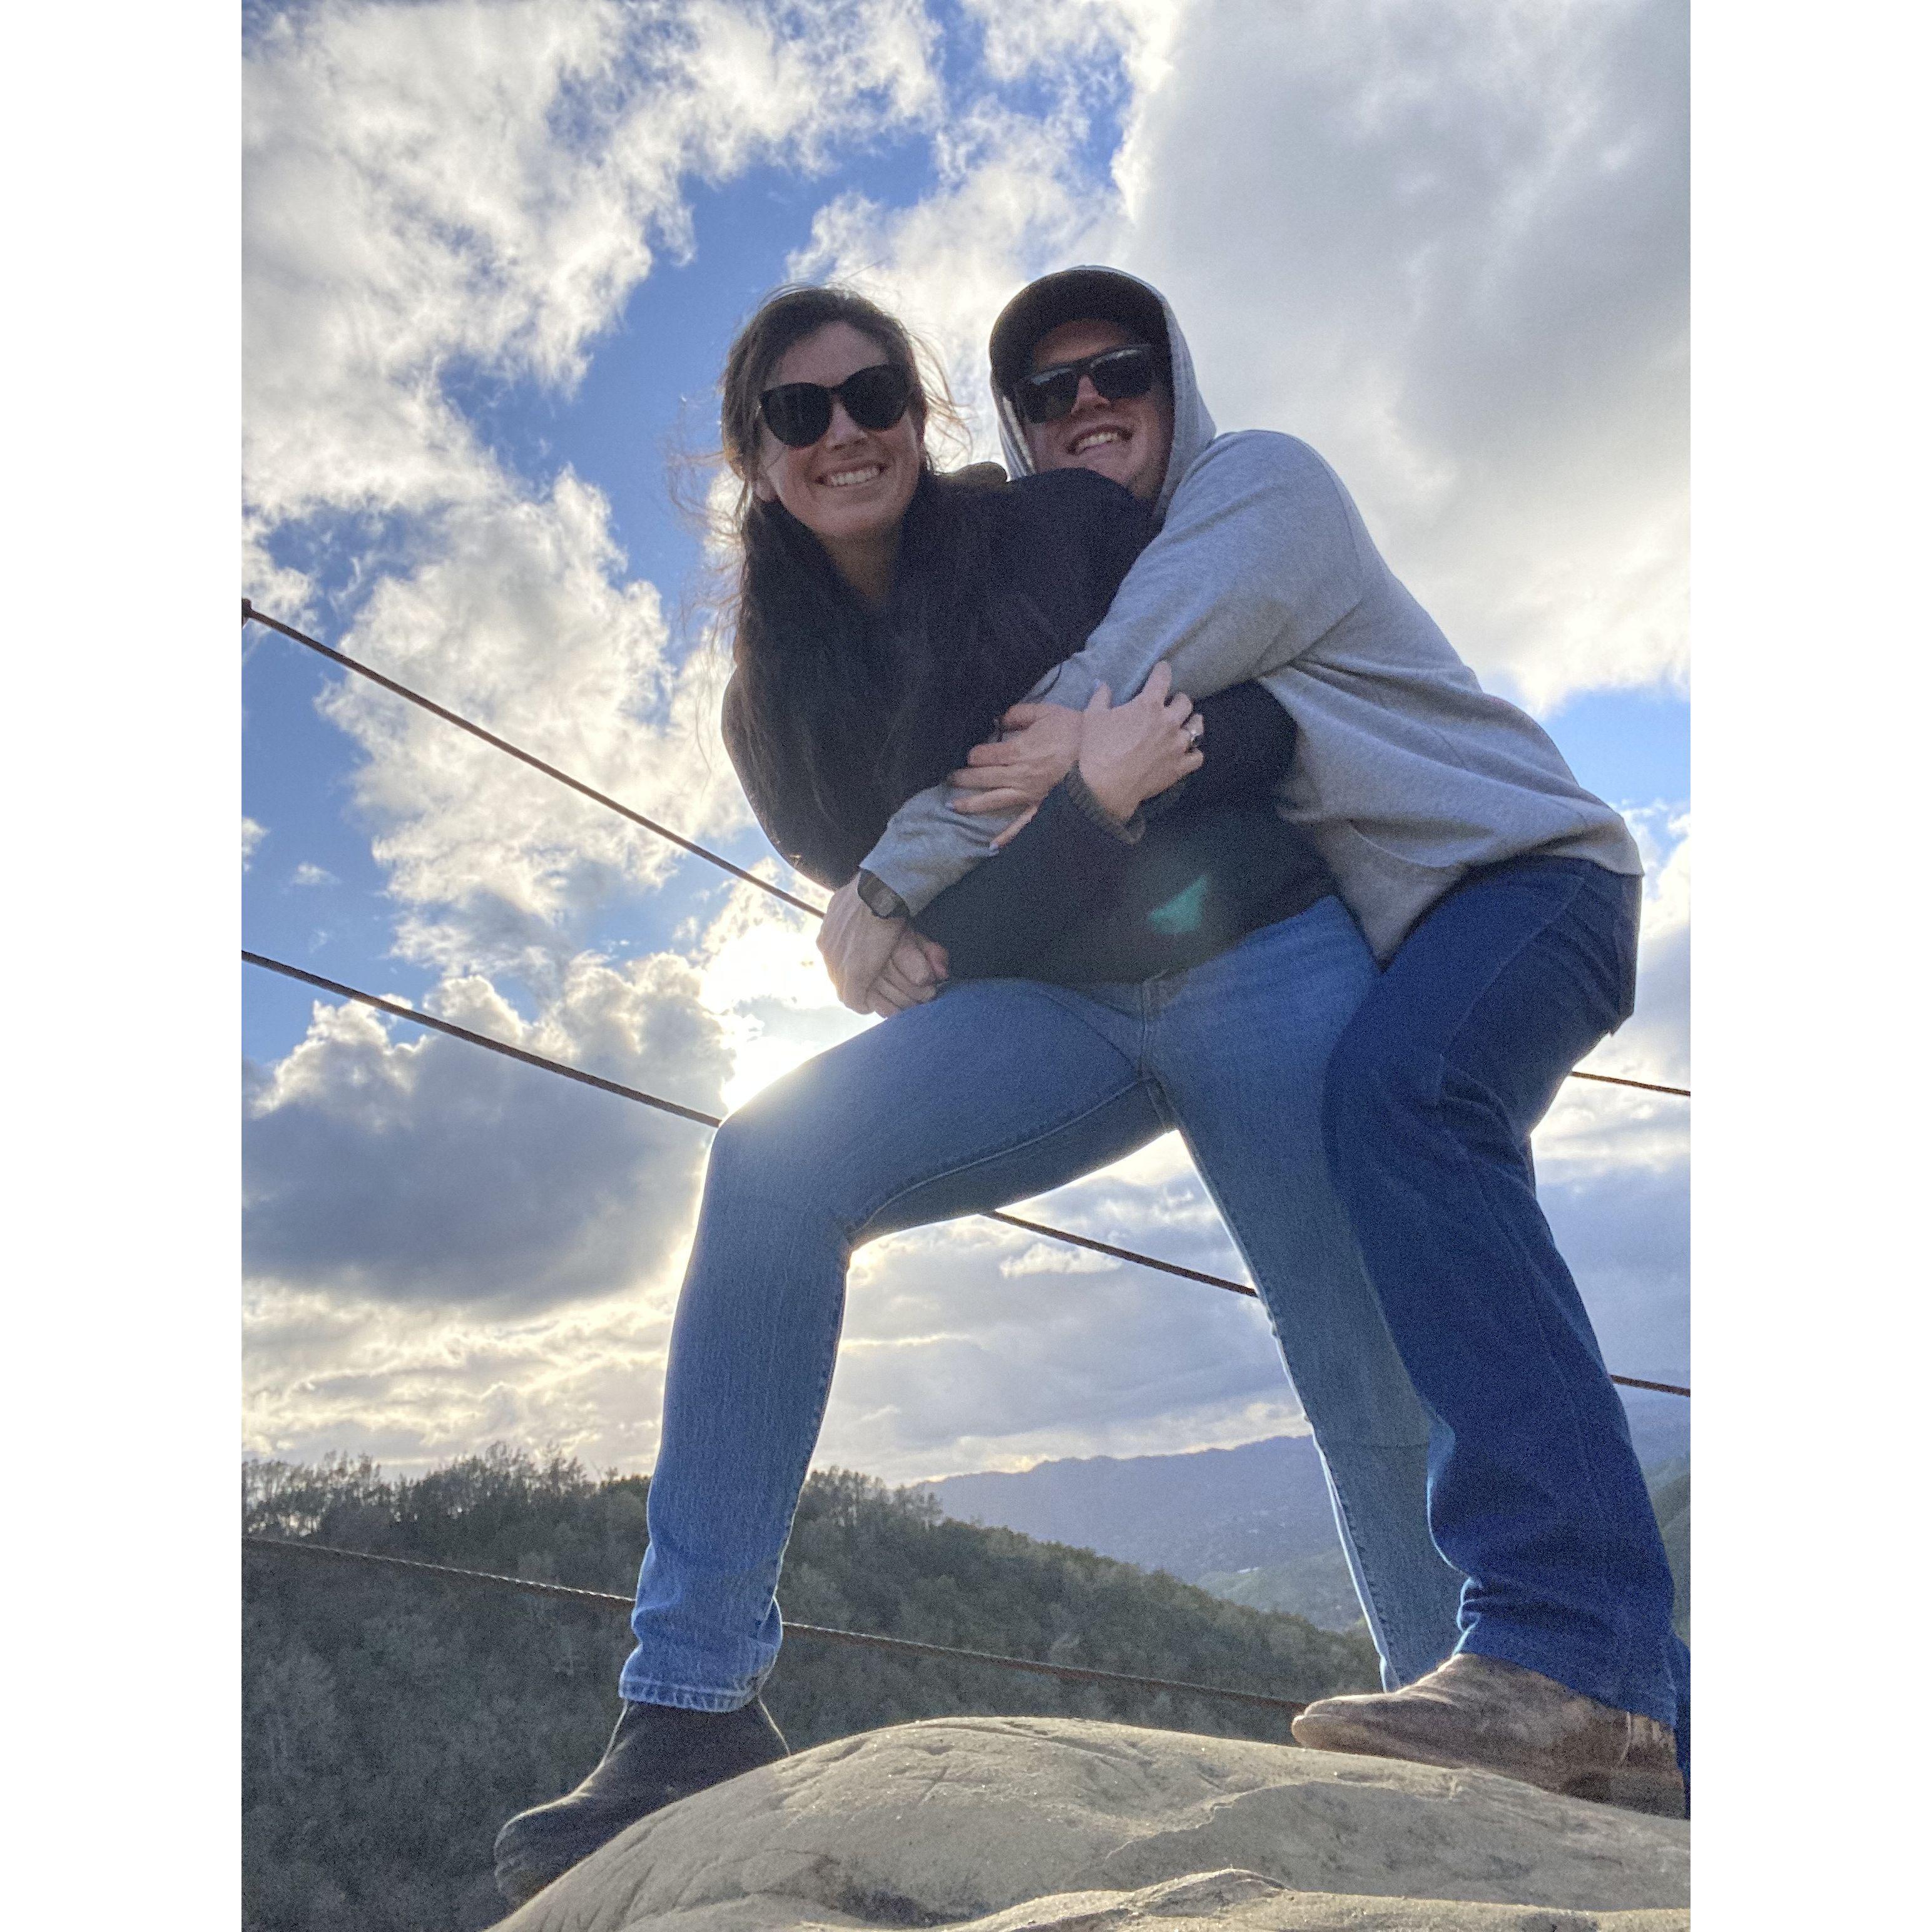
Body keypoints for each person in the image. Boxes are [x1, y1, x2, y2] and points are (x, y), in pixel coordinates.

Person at [491, 283, 1462, 1908]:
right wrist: (1056, 814)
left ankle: (1468, 1730)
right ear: (754, 458)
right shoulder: (770, 707)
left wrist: (1051, 815)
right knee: (770, 1160)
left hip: (1255, 951)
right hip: (1049, 1010)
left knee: (1352, 1339)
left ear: (921, 412)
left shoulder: (1055, 524)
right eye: (798, 412)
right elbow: (925, 948)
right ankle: (688, 1703)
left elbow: (1242, 720)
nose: (845, 432)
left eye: (874, 393)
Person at [841, 266, 1689, 1819]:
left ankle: (1574, 1647)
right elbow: (1083, 736)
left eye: (1117, 370)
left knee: (1404, 1099)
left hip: (1527, 873)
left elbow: (1093, 696)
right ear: (1022, 432)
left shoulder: (1259, 490)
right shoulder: (1122, 572)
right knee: (1384, 1182)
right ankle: (1644, 1721)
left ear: (1174, 381)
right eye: (1046, 394)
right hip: (1426, 928)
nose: (1086, 405)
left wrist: (885, 878)